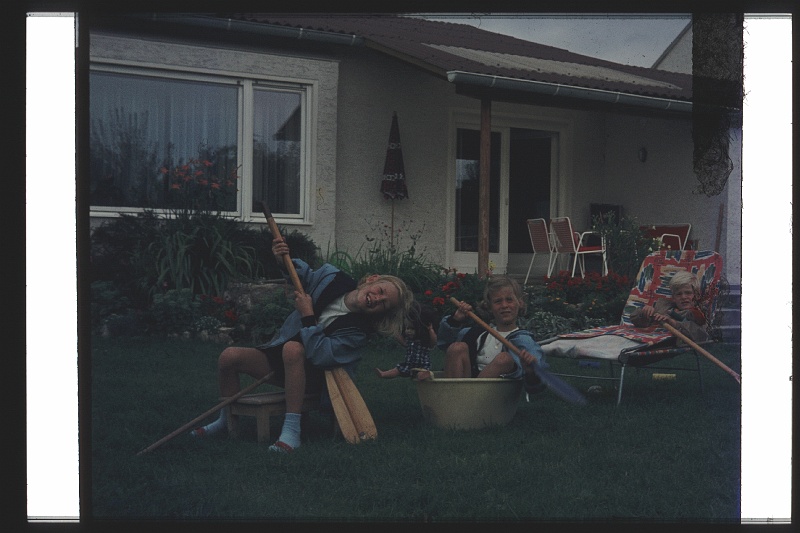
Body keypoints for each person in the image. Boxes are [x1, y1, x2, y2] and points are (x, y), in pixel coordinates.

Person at [191, 236, 414, 453]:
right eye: (381, 291)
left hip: (316, 379)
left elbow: (322, 356)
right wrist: (282, 259)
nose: (377, 298)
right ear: (372, 279)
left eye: (384, 304)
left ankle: (291, 431)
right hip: (283, 362)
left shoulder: (358, 331)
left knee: (293, 348)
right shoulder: (332, 277)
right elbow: (304, 275)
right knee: (229, 356)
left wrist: (308, 316)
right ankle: (225, 419)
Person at [437, 276, 546, 392]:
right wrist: (455, 320)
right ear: (489, 307)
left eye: (509, 300)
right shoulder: (476, 334)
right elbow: (444, 344)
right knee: (457, 347)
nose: (504, 305)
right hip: (463, 388)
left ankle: (468, 401)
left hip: (496, 398)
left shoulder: (524, 341)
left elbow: (537, 384)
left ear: (520, 303)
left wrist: (531, 370)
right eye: (498, 301)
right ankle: (456, 399)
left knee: (504, 359)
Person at [630, 270, 710, 343]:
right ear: (673, 298)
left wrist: (674, 323)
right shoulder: (663, 307)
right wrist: (644, 313)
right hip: (652, 342)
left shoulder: (699, 314)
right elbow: (635, 320)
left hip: (673, 348)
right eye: (679, 294)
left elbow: (702, 335)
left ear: (697, 295)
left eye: (688, 293)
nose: (683, 297)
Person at [375, 302, 439, 381]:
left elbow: (433, 342)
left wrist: (430, 330)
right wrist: (395, 332)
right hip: (409, 365)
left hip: (422, 366)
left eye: (412, 329)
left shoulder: (423, 343)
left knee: (421, 374)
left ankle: (425, 375)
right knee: (397, 370)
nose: (408, 331)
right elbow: (403, 342)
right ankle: (383, 374)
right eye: (407, 328)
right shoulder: (409, 341)